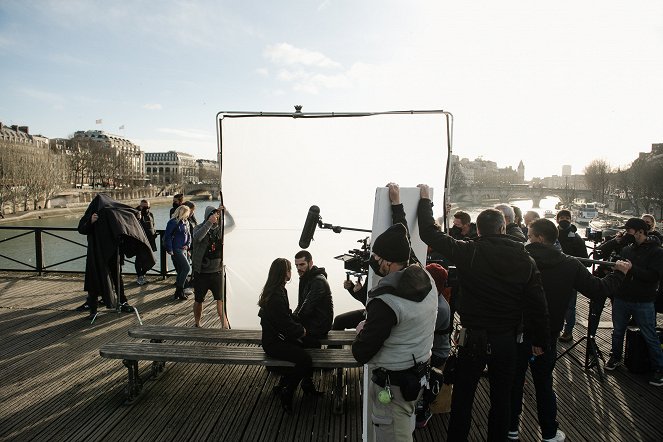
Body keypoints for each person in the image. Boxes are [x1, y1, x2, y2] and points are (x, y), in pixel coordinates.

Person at [417, 184, 549, 442]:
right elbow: (537, 303)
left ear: (478, 230)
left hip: (472, 337)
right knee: (502, 399)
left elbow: (429, 234)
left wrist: (425, 202)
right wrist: (540, 341)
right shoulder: (525, 259)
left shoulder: (470, 251)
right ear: (503, 228)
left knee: (464, 397)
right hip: (507, 338)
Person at [509, 219, 631, 442]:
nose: (527, 238)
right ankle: (548, 432)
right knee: (544, 384)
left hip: (517, 331)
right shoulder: (570, 264)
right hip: (546, 335)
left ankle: (511, 428)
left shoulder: (517, 259)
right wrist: (620, 273)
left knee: (515, 381)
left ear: (540, 238)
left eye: (529, 235)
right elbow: (598, 290)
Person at [352, 222, 438, 441]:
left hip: (393, 386)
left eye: (377, 258)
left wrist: (363, 330)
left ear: (388, 263)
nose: (373, 262)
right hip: (417, 374)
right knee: (403, 428)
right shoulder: (426, 279)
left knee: (393, 435)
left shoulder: (385, 301)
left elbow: (361, 353)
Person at [76, 194, 155, 319]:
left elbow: (124, 211)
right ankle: (93, 308)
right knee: (94, 279)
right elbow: (81, 229)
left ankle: (122, 301)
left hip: (113, 253)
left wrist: (136, 213)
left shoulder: (111, 212)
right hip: (96, 253)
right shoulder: (91, 214)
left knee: (117, 278)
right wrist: (91, 221)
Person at [258, 258, 321, 413]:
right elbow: (285, 324)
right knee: (305, 359)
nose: (291, 272)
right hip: (274, 342)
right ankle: (288, 390)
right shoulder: (276, 296)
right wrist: (301, 331)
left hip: (279, 337)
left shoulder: (278, 290)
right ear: (283, 273)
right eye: (289, 269)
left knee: (314, 343)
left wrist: (301, 327)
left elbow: (286, 316)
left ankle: (303, 384)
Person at [605, 218, 663, 387]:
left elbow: (654, 276)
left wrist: (631, 269)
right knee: (617, 331)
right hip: (622, 297)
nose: (626, 234)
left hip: (643, 300)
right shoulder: (626, 249)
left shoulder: (657, 252)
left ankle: (659, 368)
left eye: (629, 230)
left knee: (649, 335)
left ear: (639, 231)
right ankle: (615, 356)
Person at [415, 262, 451, 429]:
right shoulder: (433, 299)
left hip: (437, 353)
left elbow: (421, 331)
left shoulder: (441, 308)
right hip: (430, 347)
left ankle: (422, 410)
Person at [192, 205, 230, 328]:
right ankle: (197, 323)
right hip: (201, 272)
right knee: (199, 300)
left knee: (220, 299)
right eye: (212, 215)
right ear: (207, 216)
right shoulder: (199, 227)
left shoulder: (220, 230)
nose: (215, 217)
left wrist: (227, 212)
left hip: (217, 272)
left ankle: (224, 325)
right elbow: (197, 237)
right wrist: (209, 223)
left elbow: (233, 225)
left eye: (216, 215)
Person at [556, 209, 590, 343]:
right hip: (555, 275)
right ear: (557, 219)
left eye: (567, 217)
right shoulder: (552, 236)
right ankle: (555, 329)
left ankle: (568, 332)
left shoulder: (576, 239)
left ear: (571, 219)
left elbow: (585, 261)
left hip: (570, 277)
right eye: (562, 217)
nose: (564, 220)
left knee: (570, 307)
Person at [293, 250, 333, 345]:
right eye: (296, 265)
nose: (299, 268)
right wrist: (291, 319)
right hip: (311, 320)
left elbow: (306, 309)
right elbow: (300, 305)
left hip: (319, 325)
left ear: (310, 263)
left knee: (288, 336)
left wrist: (290, 323)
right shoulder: (304, 277)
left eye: (302, 264)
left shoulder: (318, 281)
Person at [164, 205, 191, 301]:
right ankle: (180, 290)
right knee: (187, 268)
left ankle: (178, 292)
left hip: (184, 249)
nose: (188, 215)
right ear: (182, 212)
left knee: (181, 270)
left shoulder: (186, 221)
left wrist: (188, 245)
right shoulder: (173, 222)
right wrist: (170, 249)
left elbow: (189, 234)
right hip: (176, 249)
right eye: (187, 212)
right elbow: (167, 236)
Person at [135, 199, 157, 286]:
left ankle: (143, 275)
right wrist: (138, 217)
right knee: (139, 260)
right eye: (143, 206)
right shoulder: (136, 214)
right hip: (140, 241)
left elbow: (153, 225)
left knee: (152, 260)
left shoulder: (151, 214)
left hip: (150, 241)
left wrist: (154, 233)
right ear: (140, 206)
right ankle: (140, 277)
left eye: (147, 206)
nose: (145, 208)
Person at [182, 201, 198, 295]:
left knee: (193, 265)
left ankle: (191, 282)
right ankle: (184, 286)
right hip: (186, 247)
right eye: (192, 210)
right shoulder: (183, 220)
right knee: (185, 267)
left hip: (193, 245)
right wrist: (187, 248)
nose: (193, 212)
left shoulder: (192, 218)